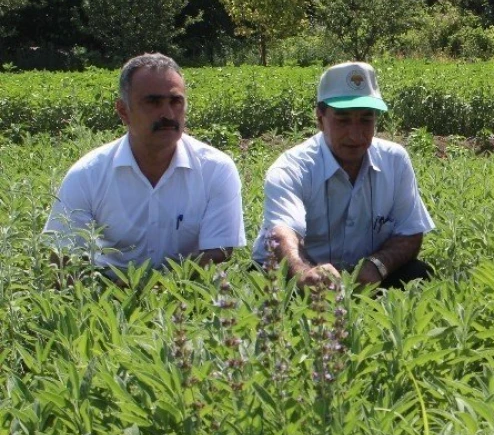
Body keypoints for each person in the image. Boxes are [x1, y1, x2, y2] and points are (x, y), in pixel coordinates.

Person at [43, 53, 245, 272]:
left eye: (176, 101)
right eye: (153, 102)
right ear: (123, 111)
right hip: (106, 297)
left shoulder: (215, 169)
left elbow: (219, 252)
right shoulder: (87, 175)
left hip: (188, 298)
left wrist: (156, 289)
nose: (168, 114)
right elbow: (64, 259)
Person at [252, 61, 435, 288]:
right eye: (343, 120)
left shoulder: (394, 160)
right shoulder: (292, 168)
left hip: (364, 275)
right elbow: (282, 234)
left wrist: (377, 265)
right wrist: (302, 272)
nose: (355, 135)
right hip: (297, 272)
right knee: (268, 290)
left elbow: (410, 232)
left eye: (366, 120)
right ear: (320, 119)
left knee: (419, 274)